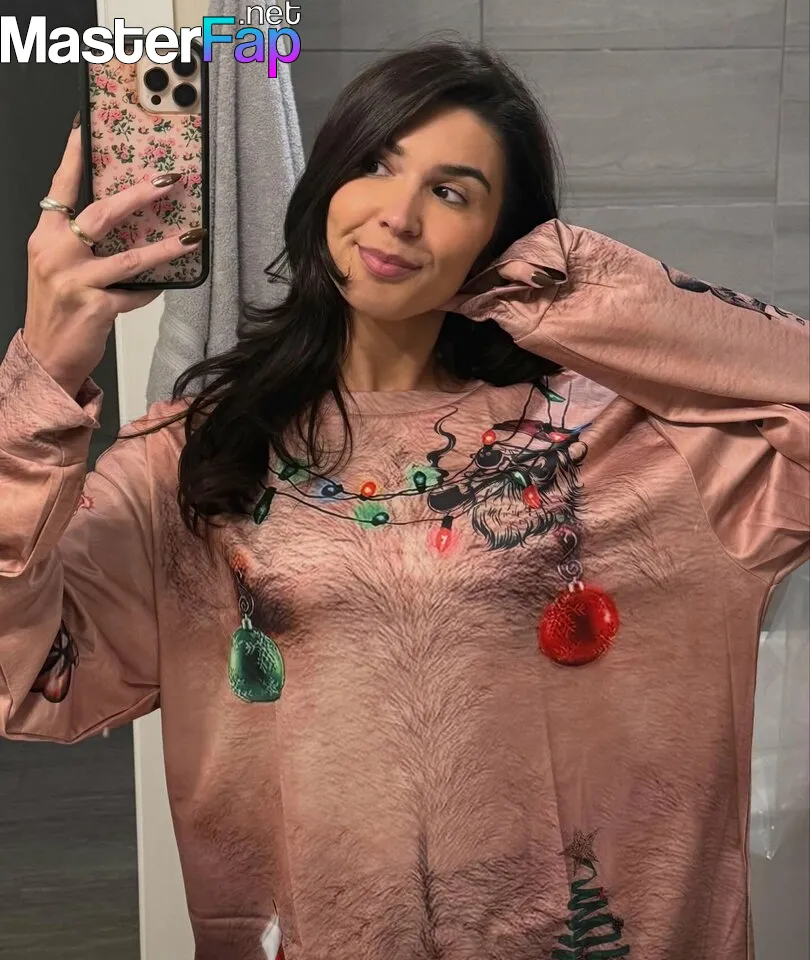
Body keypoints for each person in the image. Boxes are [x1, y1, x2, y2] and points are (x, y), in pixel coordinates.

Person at [1, 39, 808, 960]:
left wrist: (568, 286)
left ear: (506, 235)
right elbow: (25, 674)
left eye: (452, 192)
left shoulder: (624, 441)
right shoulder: (199, 454)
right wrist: (41, 381)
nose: (399, 215)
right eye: (377, 165)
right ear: (326, 184)